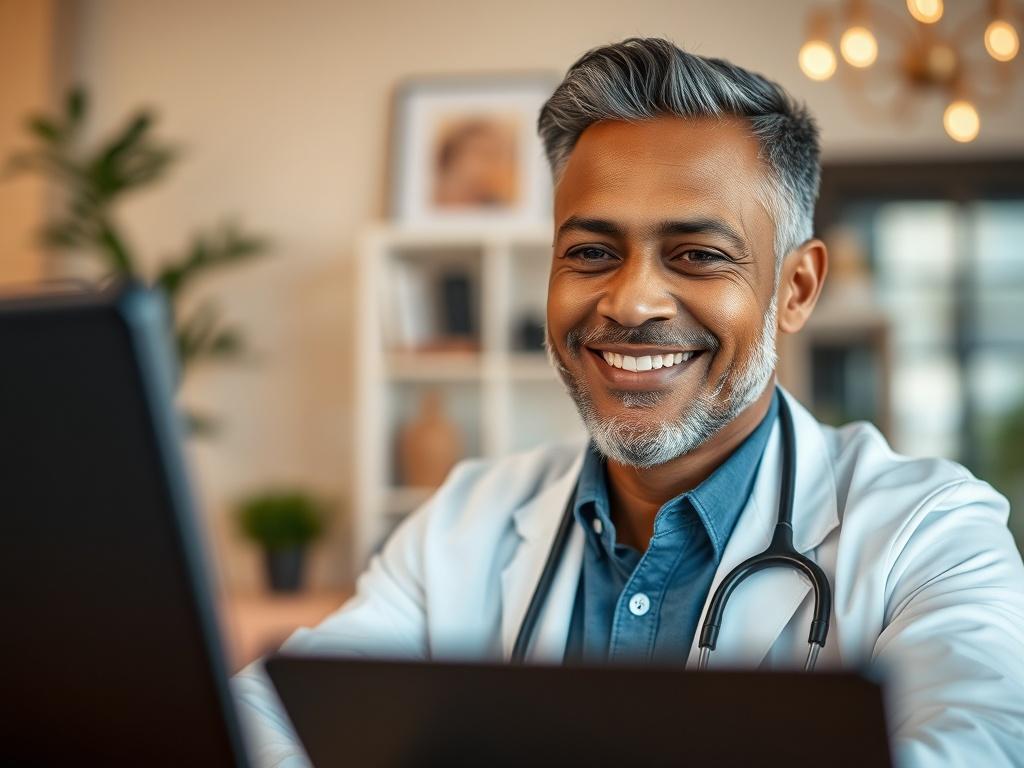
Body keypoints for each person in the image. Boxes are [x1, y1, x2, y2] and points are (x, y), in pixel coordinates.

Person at [232, 38, 1024, 767]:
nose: (632, 300)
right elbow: (264, 717)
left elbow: (977, 740)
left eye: (698, 255)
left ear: (796, 287)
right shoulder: (465, 521)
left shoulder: (931, 534)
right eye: (591, 252)